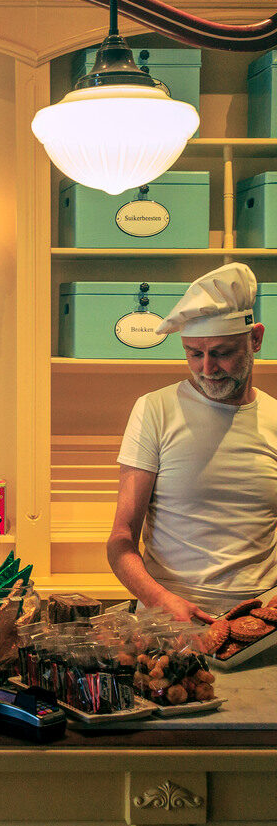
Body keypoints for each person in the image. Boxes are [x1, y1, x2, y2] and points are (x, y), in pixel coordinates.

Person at [107, 261, 277, 623]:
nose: (206, 369)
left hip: (260, 623)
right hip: (168, 624)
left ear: (256, 339)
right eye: (193, 354)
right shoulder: (155, 410)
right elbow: (120, 541)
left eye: (221, 352)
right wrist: (160, 599)